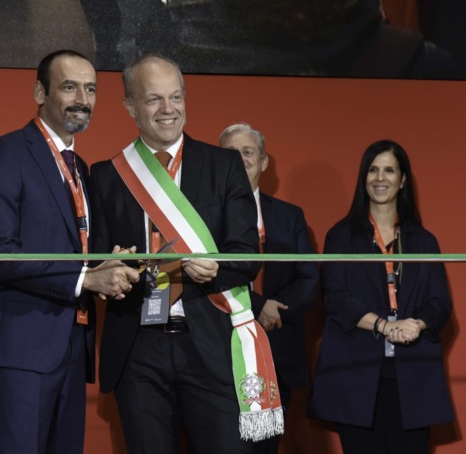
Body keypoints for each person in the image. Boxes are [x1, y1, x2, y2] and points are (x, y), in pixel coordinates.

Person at [90, 54, 281, 453]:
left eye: (176, 97)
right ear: (130, 106)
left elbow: (247, 255)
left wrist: (216, 269)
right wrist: (112, 269)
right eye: (154, 99)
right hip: (138, 347)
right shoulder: (108, 175)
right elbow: (97, 261)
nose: (168, 109)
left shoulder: (223, 165)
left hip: (210, 341)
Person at [0, 49, 139, 454]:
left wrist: (112, 264)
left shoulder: (80, 167)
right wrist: (86, 278)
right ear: (39, 93)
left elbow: (80, 247)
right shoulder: (5, 154)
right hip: (19, 347)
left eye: (91, 89)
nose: (82, 98)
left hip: (72, 345)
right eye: (69, 87)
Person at [307, 140, 454, 453]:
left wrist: (417, 324)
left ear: (403, 179)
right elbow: (335, 298)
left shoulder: (424, 241)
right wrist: (384, 326)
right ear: (364, 177)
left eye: (389, 170)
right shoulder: (341, 236)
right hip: (356, 375)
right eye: (373, 170)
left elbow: (440, 303)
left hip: (413, 377)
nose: (380, 178)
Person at [219, 123, 319, 454]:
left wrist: (272, 309)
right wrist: (258, 305)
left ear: (263, 161)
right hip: (220, 355)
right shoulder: (204, 216)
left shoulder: (290, 216)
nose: (240, 159)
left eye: (247, 152)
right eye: (231, 153)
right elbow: (208, 276)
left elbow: (308, 278)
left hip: (278, 352)